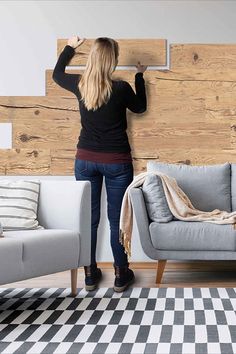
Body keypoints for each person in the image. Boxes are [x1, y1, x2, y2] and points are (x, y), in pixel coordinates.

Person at [52, 35, 147, 292]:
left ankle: (90, 274)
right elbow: (140, 108)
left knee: (88, 219)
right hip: (117, 162)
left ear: (93, 58)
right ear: (112, 60)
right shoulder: (121, 88)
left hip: (85, 160)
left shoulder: (79, 84)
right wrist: (139, 76)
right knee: (117, 218)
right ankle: (120, 274)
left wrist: (71, 47)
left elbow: (57, 74)